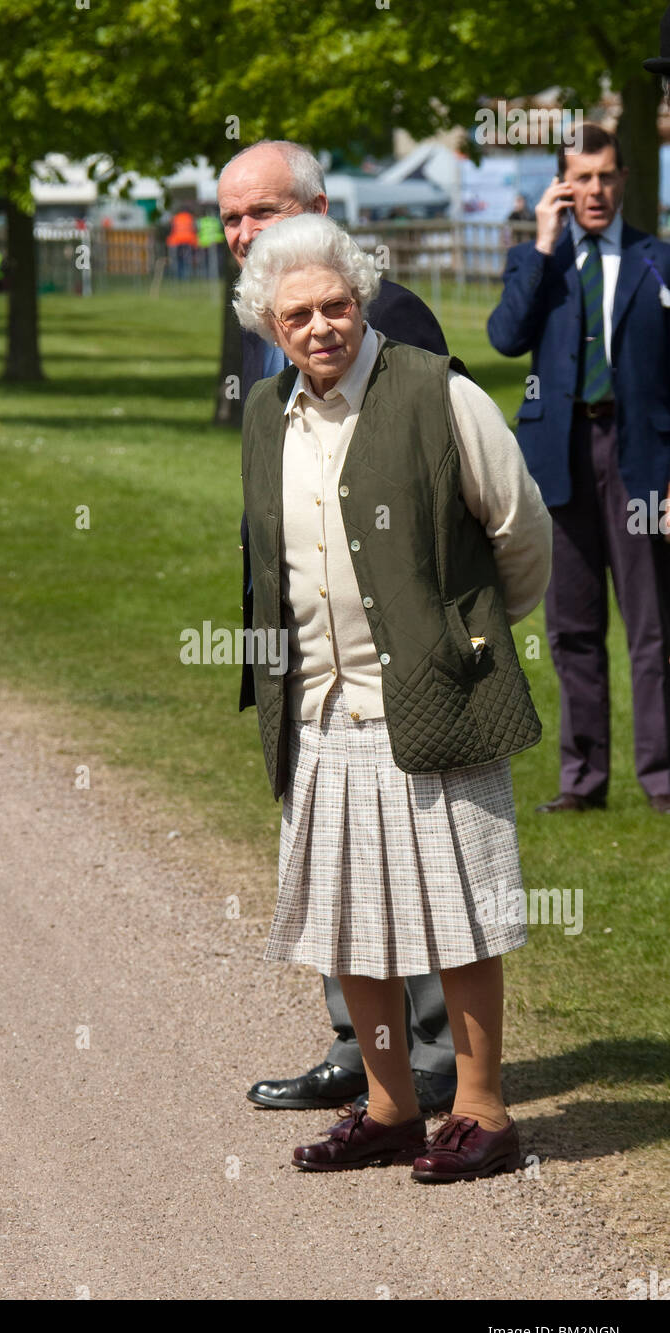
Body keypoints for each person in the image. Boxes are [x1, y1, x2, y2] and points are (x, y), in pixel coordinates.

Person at [233, 214, 552, 1178]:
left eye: (336, 306)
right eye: (299, 315)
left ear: (363, 301)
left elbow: (520, 530)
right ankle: (388, 1107)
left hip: (433, 697)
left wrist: (466, 638)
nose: (321, 326)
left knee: (458, 916)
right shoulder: (263, 412)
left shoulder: (438, 393)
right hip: (321, 709)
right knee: (347, 920)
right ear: (269, 324)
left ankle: (483, 1112)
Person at [218, 138, 459, 1117]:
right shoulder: (264, 312)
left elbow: (450, 484)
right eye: (230, 216)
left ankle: (433, 1056)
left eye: (260, 212)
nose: (240, 232)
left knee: (410, 840)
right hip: (303, 642)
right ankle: (358, 1047)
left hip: (386, 648)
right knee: (327, 844)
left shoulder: (386, 313)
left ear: (316, 204)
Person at [488, 123, 670, 815]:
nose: (594, 190)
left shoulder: (657, 261)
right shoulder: (538, 261)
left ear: (623, 179)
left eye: (605, 176)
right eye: (580, 178)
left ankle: (660, 779)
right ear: (562, 185)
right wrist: (540, 243)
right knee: (571, 629)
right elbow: (505, 338)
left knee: (651, 626)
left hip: (641, 460)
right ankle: (583, 783)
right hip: (557, 460)